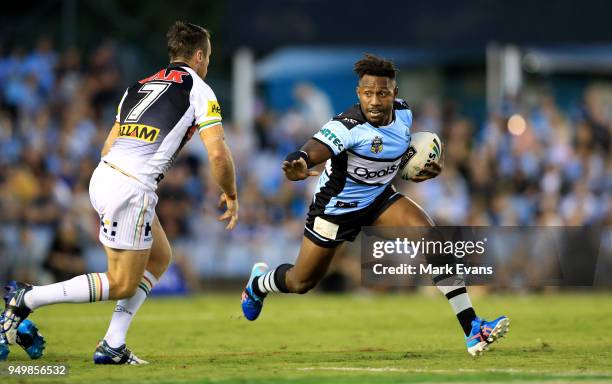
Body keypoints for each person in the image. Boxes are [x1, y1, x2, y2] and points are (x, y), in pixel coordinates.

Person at [1, 21, 239, 364]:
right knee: (122, 282)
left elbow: (109, 143)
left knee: (159, 257)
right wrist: (230, 193)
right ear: (199, 56)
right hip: (132, 187)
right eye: (208, 57)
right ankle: (29, 297)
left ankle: (113, 344)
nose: (208, 64)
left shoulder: (138, 85)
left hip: (106, 174)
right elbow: (217, 153)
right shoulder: (200, 90)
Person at [241, 54, 509, 356]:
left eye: (382, 93)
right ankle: (259, 284)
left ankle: (473, 329)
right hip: (335, 210)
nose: (375, 100)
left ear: (394, 94)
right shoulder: (347, 126)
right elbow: (314, 149)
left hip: (379, 200)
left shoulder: (405, 114)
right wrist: (298, 161)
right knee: (301, 281)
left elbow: (404, 156)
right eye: (368, 93)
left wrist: (426, 167)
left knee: (435, 241)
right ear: (359, 93)